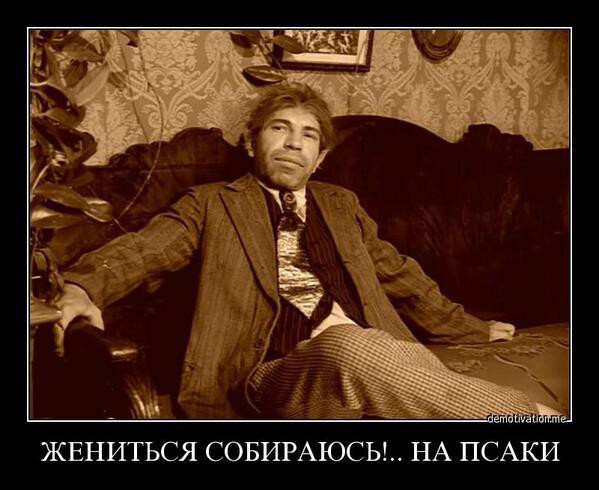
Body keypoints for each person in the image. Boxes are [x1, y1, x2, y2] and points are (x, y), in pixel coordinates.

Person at [55, 82, 560, 419]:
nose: (294, 144)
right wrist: (80, 286)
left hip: (372, 359)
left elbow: (399, 275)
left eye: (309, 135)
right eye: (280, 129)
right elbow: (143, 250)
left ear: (320, 158)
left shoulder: (341, 205)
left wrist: (469, 327)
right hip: (275, 371)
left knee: (382, 352)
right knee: (353, 346)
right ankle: (532, 422)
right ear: (251, 143)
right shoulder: (211, 204)